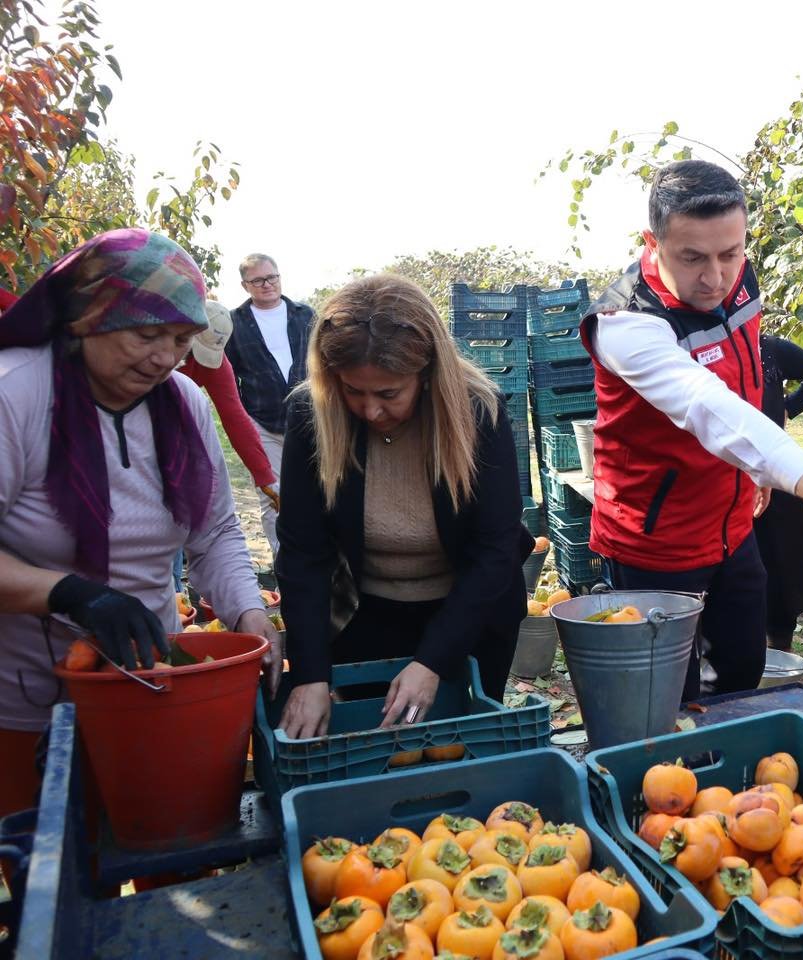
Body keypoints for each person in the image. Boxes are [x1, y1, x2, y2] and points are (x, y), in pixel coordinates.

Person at [581, 159, 803, 700]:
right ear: (653, 241)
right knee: (664, 700)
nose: (715, 277)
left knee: (740, 671)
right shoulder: (626, 325)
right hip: (653, 544)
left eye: (730, 254)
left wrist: (756, 465)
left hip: (732, 527)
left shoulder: (739, 280)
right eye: (693, 258)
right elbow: (706, 404)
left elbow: (749, 374)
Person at [0, 229, 281, 823]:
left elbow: (215, 535)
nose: (165, 358)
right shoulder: (16, 393)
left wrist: (249, 615)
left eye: (180, 340)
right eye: (147, 334)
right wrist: (70, 593)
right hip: (22, 694)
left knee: (168, 838)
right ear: (88, 316)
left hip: (148, 679)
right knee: (47, 865)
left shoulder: (184, 403)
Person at [276, 274, 533, 740]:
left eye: (389, 394)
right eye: (354, 391)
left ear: (428, 373)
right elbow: (302, 551)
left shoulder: (478, 413)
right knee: (381, 746)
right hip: (365, 615)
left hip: (470, 613)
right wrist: (310, 673)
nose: (370, 411)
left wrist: (434, 660)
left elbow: (494, 550)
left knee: (457, 744)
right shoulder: (311, 417)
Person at [171, 300, 280, 590]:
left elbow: (234, 416)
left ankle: (176, 597)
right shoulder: (159, 353)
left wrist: (266, 479)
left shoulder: (216, 363)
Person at [225, 253, 315, 560]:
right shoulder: (233, 323)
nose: (267, 285)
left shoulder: (305, 315)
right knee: (272, 495)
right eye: (258, 280)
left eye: (272, 277)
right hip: (262, 423)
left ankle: (320, 559)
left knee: (315, 491)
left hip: (311, 420)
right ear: (245, 285)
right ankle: (286, 564)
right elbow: (226, 375)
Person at [754, 335, 803, 651]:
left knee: (781, 560)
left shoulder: (769, 349)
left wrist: (787, 408)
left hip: (775, 471)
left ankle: (780, 644)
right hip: (724, 478)